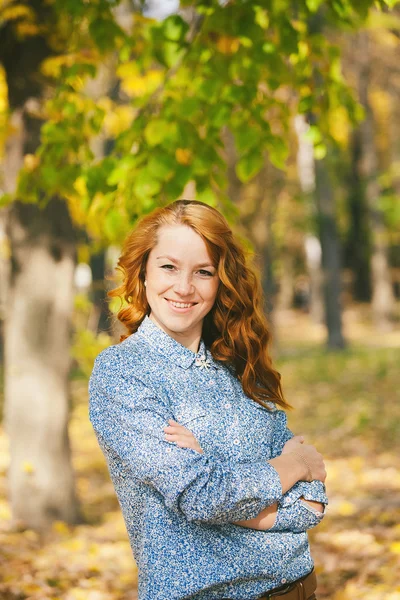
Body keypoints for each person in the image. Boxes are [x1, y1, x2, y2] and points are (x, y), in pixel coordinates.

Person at [89, 200, 328, 600]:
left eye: (203, 272)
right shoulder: (123, 374)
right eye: (168, 267)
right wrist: (292, 466)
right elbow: (204, 497)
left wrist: (236, 492)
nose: (184, 287)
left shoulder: (238, 362)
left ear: (221, 283)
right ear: (143, 272)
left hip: (301, 588)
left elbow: (313, 502)